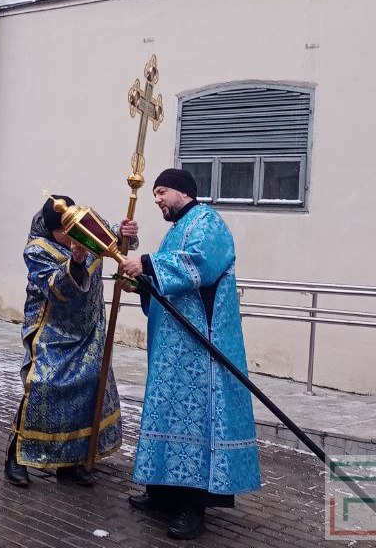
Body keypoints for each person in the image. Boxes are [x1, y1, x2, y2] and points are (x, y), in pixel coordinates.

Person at [118, 168, 260, 540]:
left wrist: (147, 263)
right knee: (169, 417)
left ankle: (192, 508)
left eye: (162, 192)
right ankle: (163, 493)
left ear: (182, 191)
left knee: (198, 424)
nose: (158, 200)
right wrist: (141, 278)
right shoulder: (175, 230)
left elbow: (201, 265)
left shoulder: (207, 222)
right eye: (154, 195)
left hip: (201, 352)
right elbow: (165, 286)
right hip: (172, 350)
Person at [4, 195, 124, 488]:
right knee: (43, 388)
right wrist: (78, 259)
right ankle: (17, 456)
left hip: (89, 329)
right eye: (64, 233)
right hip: (52, 331)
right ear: (53, 229)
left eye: (74, 232)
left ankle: (71, 462)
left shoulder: (85, 227)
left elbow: (113, 239)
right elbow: (57, 289)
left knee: (86, 392)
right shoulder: (37, 250)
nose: (71, 237)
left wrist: (125, 231)